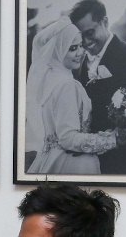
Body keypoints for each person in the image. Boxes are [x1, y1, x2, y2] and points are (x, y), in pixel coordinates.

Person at [70, 0, 126, 175]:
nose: (85, 42)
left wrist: (116, 136)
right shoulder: (78, 64)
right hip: (89, 159)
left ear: (105, 22)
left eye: (90, 33)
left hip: (125, 156)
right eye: (80, 36)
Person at [26, 19, 118, 175]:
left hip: (51, 157)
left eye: (81, 46)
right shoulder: (67, 85)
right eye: (72, 48)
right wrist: (111, 139)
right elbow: (68, 138)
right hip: (72, 162)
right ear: (58, 50)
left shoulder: (50, 79)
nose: (80, 52)